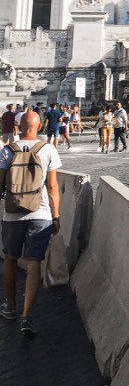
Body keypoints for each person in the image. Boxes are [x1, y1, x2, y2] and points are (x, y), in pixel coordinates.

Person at [0, 110, 61, 335]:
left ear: (18, 127)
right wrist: (56, 216)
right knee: (34, 262)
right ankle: (27, 316)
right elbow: (53, 187)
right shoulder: (48, 149)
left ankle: (11, 307)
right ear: (40, 126)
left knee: (10, 258)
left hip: (13, 214)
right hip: (41, 213)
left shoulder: (8, 151)